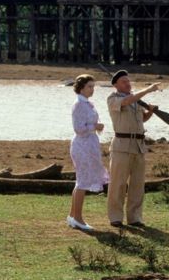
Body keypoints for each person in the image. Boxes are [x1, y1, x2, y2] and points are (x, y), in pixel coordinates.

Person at [107, 70, 160, 227]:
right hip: (121, 146)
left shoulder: (135, 100)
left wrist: (150, 112)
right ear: (116, 85)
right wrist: (148, 90)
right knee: (118, 184)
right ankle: (115, 217)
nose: (128, 84)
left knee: (138, 185)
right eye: (124, 81)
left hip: (139, 147)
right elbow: (125, 102)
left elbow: (142, 119)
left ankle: (135, 217)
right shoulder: (113, 98)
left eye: (128, 81)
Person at [67, 74, 109, 231]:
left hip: (89, 144)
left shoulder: (87, 104)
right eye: (89, 86)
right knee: (83, 181)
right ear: (81, 87)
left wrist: (96, 126)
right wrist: (95, 127)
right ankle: (78, 218)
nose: (92, 89)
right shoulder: (79, 104)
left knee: (81, 180)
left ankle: (73, 216)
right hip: (82, 146)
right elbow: (78, 129)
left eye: (93, 86)